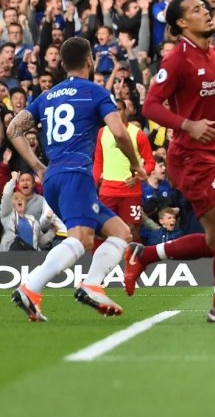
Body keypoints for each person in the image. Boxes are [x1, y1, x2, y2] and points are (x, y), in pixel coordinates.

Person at [123, 0, 215, 325]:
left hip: (207, 153)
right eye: (197, 9)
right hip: (188, 156)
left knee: (214, 242)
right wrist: (187, 125)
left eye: (205, 7)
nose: (206, 12)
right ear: (182, 23)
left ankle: (145, 254)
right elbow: (151, 105)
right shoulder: (177, 59)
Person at [7, 37, 147, 322]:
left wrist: (37, 166)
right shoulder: (95, 92)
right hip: (76, 175)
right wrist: (135, 164)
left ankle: (92, 284)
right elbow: (119, 132)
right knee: (82, 239)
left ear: (62, 63)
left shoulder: (47, 96)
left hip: (54, 177)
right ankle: (31, 287)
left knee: (120, 233)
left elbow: (13, 128)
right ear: (90, 61)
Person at [93, 99, 155, 242]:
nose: (115, 113)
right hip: (107, 191)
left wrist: (139, 177)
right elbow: (98, 162)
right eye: (112, 111)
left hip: (131, 191)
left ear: (126, 111)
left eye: (119, 109)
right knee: (103, 230)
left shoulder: (138, 134)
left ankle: (133, 261)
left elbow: (150, 162)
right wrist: (92, 186)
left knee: (132, 230)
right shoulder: (102, 133)